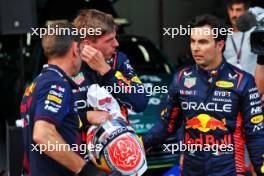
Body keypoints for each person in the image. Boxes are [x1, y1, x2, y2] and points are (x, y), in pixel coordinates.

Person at [143, 14, 264, 175]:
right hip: (191, 170)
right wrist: (139, 143)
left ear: (219, 45)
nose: (195, 48)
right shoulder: (181, 79)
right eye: (193, 41)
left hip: (229, 171)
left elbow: (255, 135)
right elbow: (166, 125)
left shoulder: (243, 82)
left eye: (203, 42)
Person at [21, 22, 111, 176]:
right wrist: (86, 170)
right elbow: (42, 134)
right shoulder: (56, 84)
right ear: (76, 49)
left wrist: (84, 117)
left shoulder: (37, 83)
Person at [72, 9, 148, 119]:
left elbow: (140, 103)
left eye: (115, 38)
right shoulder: (68, 65)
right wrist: (86, 117)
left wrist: (107, 71)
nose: (116, 44)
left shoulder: (118, 59)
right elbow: (53, 120)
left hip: (119, 132)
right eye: (109, 40)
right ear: (86, 45)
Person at [223, 0, 258, 75]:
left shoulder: (254, 32)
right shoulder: (223, 34)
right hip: (229, 83)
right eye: (231, 10)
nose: (234, 14)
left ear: (246, 11)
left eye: (238, 10)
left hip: (253, 83)